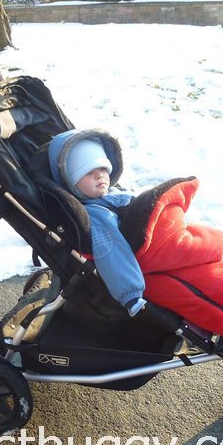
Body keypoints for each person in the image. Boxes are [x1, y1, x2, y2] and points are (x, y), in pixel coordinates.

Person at [48, 129, 147, 317]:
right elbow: (112, 250)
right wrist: (131, 294)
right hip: (143, 261)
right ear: (70, 182)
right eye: (88, 172)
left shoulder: (113, 193)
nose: (99, 176)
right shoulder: (97, 216)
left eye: (102, 169)